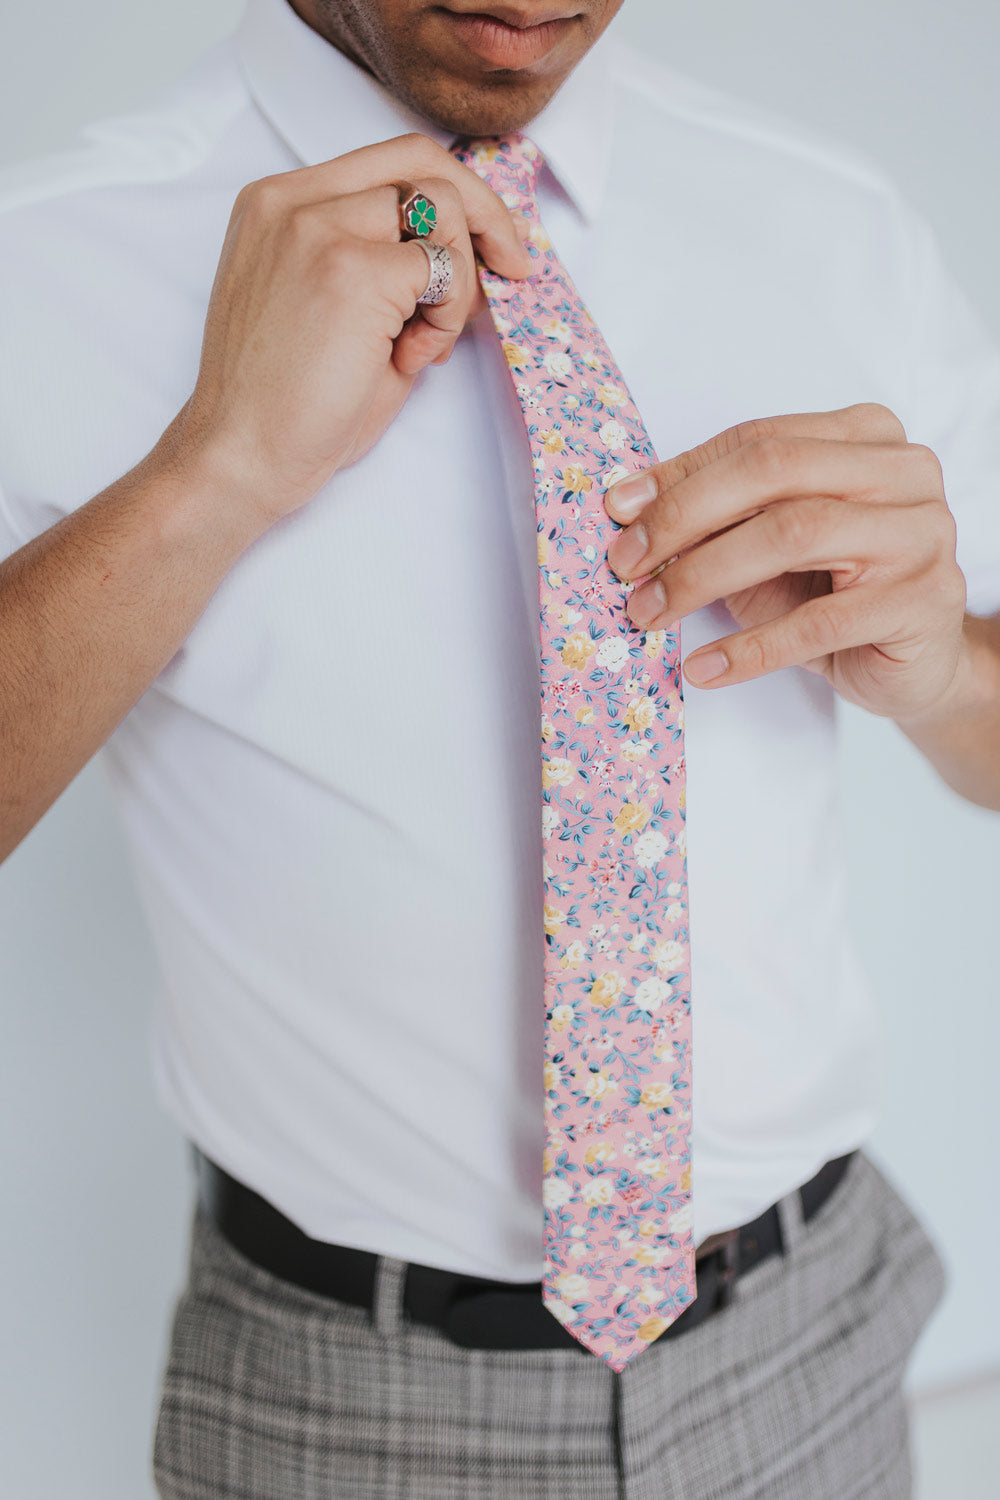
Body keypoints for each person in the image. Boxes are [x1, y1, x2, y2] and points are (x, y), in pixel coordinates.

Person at [2, 0, 999, 1494]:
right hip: (347, 1406)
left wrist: (944, 671)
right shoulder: (44, 264)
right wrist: (218, 465)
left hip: (813, 1347)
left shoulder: (833, 219)